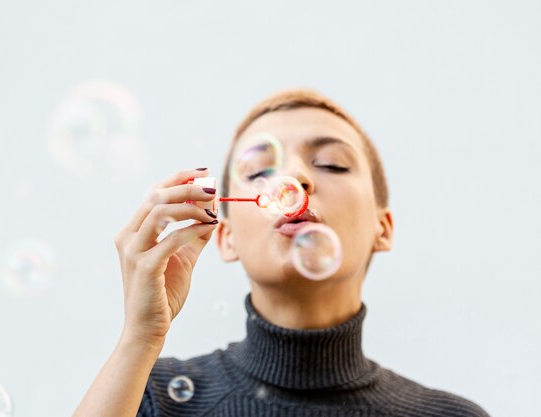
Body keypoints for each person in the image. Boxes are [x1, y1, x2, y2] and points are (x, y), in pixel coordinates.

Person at [72, 89, 490, 417]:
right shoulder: (152, 399)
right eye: (257, 172)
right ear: (226, 236)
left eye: (332, 163)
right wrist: (140, 338)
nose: (294, 178)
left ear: (382, 228)